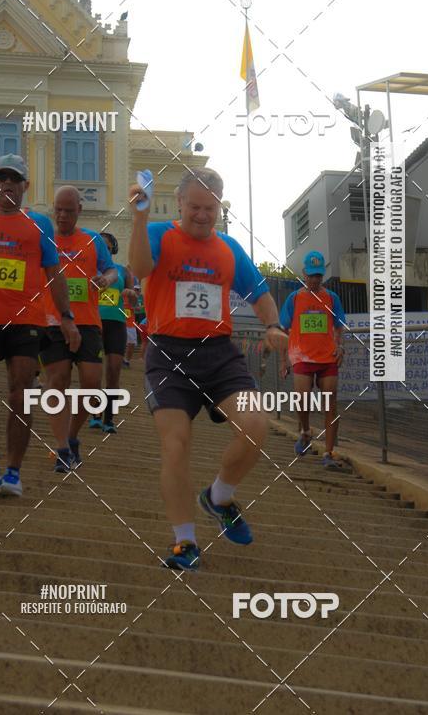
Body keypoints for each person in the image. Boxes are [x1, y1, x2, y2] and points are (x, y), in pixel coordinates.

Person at [128, 168, 288, 571]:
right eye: (195, 207)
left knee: (256, 424)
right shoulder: (160, 234)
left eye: (210, 208)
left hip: (218, 353)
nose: (202, 215)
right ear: (179, 203)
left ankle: (218, 496)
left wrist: (272, 325)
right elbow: (141, 269)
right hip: (168, 353)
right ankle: (185, 542)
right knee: (176, 444)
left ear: (220, 206)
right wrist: (140, 218)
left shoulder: (229, 248)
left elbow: (260, 294)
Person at [0, 154, 80, 497]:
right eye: (2, 178)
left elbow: (53, 272)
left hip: (26, 322)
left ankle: (12, 471)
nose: (8, 184)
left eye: (15, 178)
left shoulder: (39, 224)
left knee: (22, 393)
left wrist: (67, 317)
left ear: (25, 186)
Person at [40, 186, 117, 472]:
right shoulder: (45, 240)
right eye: (58, 209)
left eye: (68, 211)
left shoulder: (92, 240)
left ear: (79, 210)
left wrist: (106, 279)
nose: (62, 215)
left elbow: (112, 269)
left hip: (87, 321)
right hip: (52, 321)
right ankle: (62, 448)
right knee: (57, 381)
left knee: (91, 383)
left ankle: (72, 437)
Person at [279, 250, 346, 470]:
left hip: (327, 357)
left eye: (319, 275)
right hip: (302, 356)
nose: (315, 279)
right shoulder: (294, 298)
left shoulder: (332, 298)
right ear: (303, 274)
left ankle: (328, 453)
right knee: (302, 398)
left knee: (330, 404)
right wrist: (284, 359)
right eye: (311, 275)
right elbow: (283, 329)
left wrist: (340, 346)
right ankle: (306, 431)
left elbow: (339, 327)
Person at [93, 233, 138, 434]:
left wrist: (131, 295)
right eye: (99, 245)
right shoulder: (87, 269)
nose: (103, 247)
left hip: (117, 323)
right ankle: (94, 413)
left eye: (107, 245)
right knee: (93, 373)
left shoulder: (122, 271)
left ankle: (109, 418)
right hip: (93, 324)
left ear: (113, 248)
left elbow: (134, 300)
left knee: (113, 370)